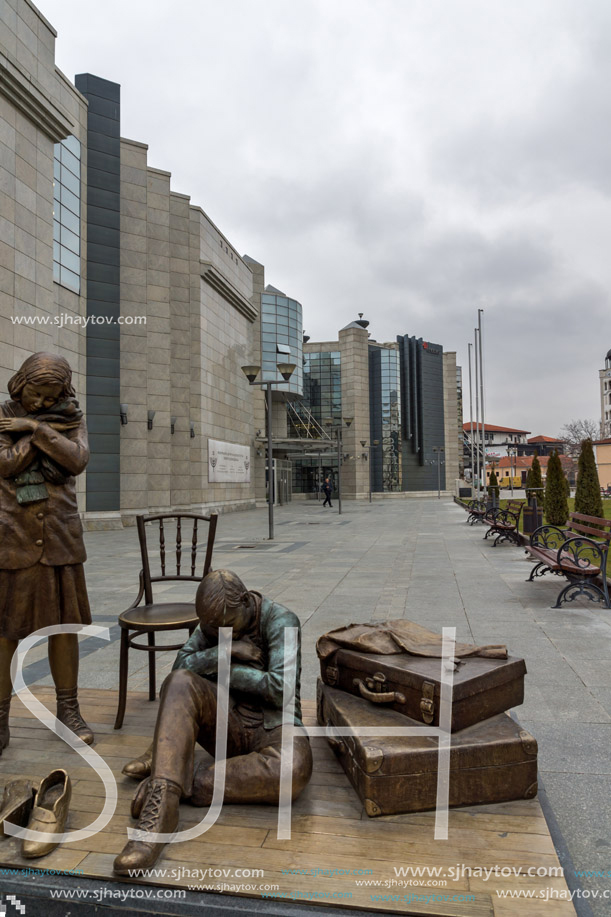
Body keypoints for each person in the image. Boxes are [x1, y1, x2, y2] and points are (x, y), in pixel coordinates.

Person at [113, 569, 312, 874]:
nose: (222, 633)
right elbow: (181, 667)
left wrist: (222, 668)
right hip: (227, 723)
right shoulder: (215, 622)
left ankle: (176, 778)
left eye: (229, 629)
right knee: (181, 682)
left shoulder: (283, 621)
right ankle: (160, 813)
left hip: (275, 728)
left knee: (293, 772)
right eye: (215, 631)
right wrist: (226, 650)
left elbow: (279, 690)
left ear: (245, 602)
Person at [0, 352, 93, 752]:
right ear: (21, 383)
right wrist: (41, 435)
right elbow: (5, 465)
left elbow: (76, 460)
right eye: (36, 394)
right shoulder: (3, 415)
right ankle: (0, 717)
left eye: (50, 396)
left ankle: (68, 710)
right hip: (14, 537)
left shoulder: (72, 417)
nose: (41, 402)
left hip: (60, 538)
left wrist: (34, 428)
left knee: (64, 627)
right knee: (5, 631)